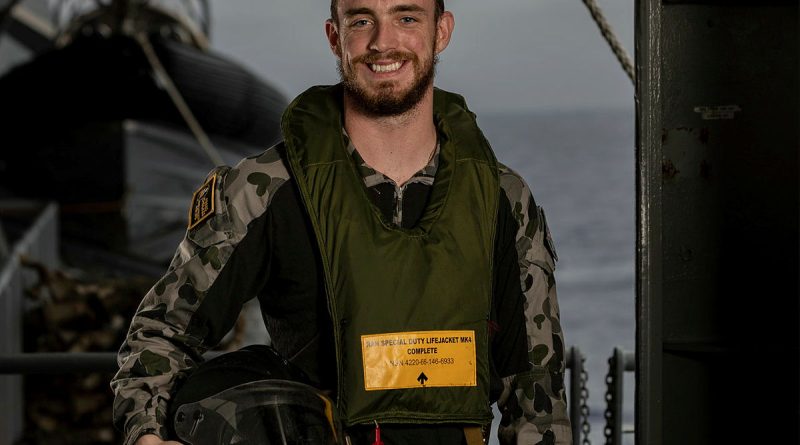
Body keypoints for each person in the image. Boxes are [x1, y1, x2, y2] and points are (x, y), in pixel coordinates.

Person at [111, 1, 571, 444]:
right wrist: (148, 434)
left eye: (406, 17)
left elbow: (537, 398)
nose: (383, 42)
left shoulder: (502, 199)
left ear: (442, 31)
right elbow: (161, 334)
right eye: (361, 20)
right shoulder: (264, 190)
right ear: (335, 37)